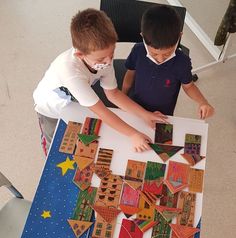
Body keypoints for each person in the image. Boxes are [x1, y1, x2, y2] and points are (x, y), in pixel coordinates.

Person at [33, 8, 167, 156]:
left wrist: (145, 115)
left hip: (75, 103)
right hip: (50, 111)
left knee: (77, 142)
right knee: (54, 148)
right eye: (101, 59)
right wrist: (133, 134)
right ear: (80, 55)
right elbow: (101, 111)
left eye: (112, 53)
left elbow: (114, 94)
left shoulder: (103, 60)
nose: (109, 61)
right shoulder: (70, 73)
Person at [122, 5, 214, 119]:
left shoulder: (182, 62)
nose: (160, 60)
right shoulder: (138, 50)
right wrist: (123, 96)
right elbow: (130, 73)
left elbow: (189, 86)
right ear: (143, 37)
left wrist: (203, 102)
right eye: (154, 54)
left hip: (163, 113)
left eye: (167, 54)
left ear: (179, 37)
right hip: (135, 105)